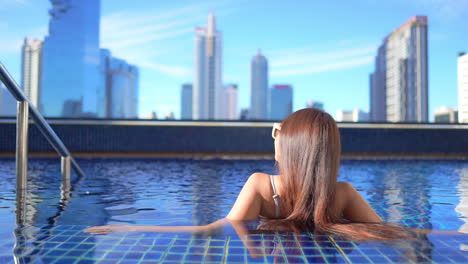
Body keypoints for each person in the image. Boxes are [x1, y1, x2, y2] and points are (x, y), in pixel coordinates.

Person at [85, 108, 408, 240]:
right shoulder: (343, 193)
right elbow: (388, 233)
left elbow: (212, 229)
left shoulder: (262, 185)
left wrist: (131, 228)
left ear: (287, 144)